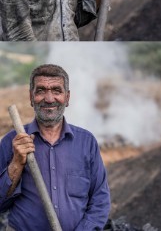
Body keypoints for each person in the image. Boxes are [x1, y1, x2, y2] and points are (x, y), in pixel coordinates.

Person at [0, 64, 110, 230]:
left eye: (56, 91)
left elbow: (100, 200)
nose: (49, 98)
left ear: (67, 97)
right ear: (31, 97)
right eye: (41, 90)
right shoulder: (12, 142)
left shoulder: (86, 142)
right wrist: (16, 163)